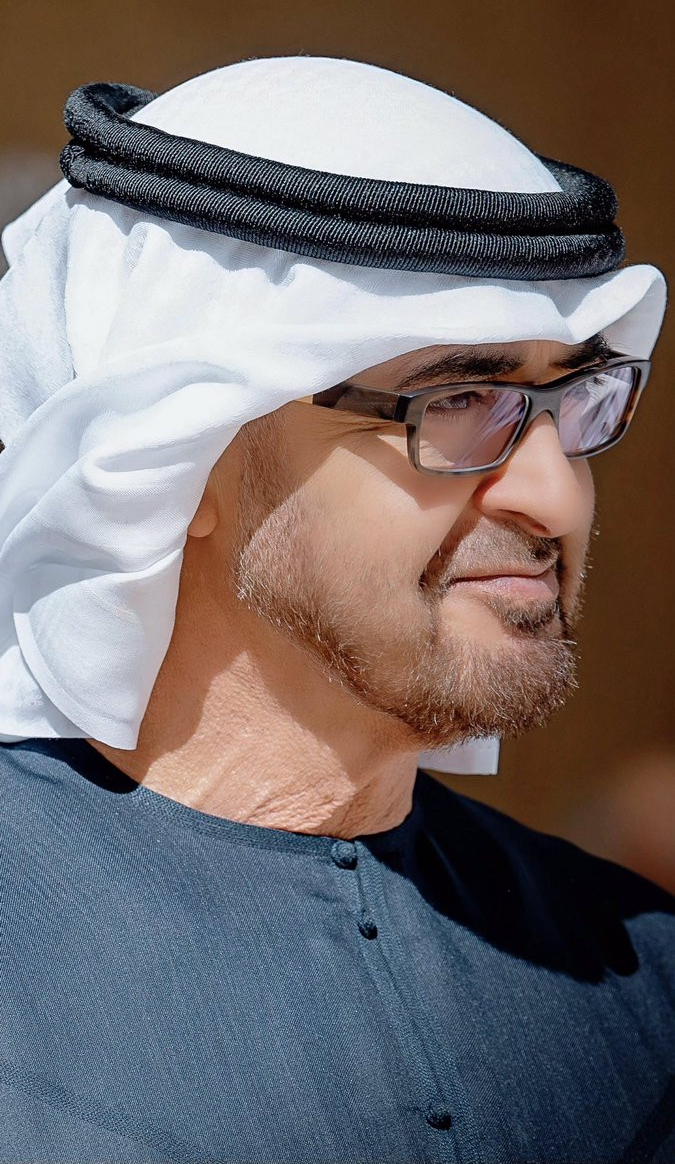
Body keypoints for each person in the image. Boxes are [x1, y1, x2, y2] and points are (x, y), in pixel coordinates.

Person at [0, 57, 672, 1164]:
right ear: (172, 456)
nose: (554, 497)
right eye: (458, 402)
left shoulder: (641, 978)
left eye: (574, 402)